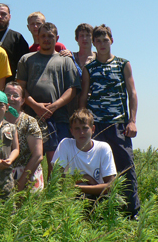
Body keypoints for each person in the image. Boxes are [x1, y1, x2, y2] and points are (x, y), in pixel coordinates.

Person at [79, 24, 140, 218]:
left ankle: (131, 211)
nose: (102, 44)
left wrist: (133, 121)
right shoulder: (89, 68)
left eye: (105, 40)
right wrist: (82, 119)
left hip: (118, 125)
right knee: (97, 168)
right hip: (96, 125)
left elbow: (132, 93)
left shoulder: (123, 64)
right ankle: (100, 209)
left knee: (125, 166)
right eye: (98, 41)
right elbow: (84, 96)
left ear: (111, 40)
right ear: (94, 43)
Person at [16, 22, 81, 175]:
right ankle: (30, 195)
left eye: (50, 36)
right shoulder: (26, 59)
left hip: (58, 117)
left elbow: (73, 89)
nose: (46, 39)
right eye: (43, 36)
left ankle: (53, 194)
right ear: (37, 37)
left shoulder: (65, 60)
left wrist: (54, 106)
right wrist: (35, 106)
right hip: (31, 117)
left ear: (56, 38)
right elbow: (20, 88)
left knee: (57, 163)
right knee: (29, 160)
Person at [51, 108, 116, 196]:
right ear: (71, 131)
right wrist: (85, 178)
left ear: (93, 129)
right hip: (70, 198)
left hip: (97, 198)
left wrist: (76, 187)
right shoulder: (65, 144)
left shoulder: (103, 148)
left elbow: (110, 186)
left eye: (85, 128)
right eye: (77, 129)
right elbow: (57, 179)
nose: (81, 133)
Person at [3, 82, 44, 192]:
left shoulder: (29, 122)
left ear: (22, 100)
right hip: (3, 176)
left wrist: (21, 183)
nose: (11, 99)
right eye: (7, 95)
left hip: (28, 175)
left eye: (15, 96)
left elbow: (38, 156)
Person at [0, 3, 29, 83]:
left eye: (3, 14)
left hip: (9, 87)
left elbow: (25, 67)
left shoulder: (17, 38)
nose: (0, 17)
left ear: (9, 17)